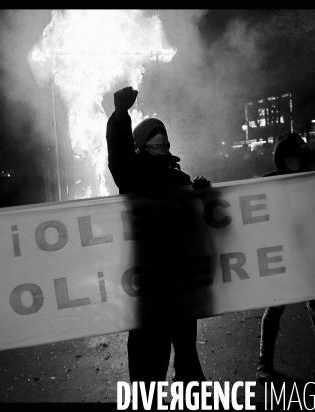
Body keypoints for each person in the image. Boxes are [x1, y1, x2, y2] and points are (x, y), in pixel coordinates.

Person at [106, 86, 210, 400]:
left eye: (163, 143)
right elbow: (120, 156)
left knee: (186, 354)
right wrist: (120, 116)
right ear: (140, 146)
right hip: (149, 284)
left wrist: (203, 196)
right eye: (153, 144)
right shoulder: (133, 178)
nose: (160, 148)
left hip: (180, 281)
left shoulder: (180, 179)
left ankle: (189, 391)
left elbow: (198, 226)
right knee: (148, 361)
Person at [255, 133, 315, 383]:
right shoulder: (268, 182)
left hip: (306, 253)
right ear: (279, 158)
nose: (293, 160)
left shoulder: (312, 179)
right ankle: (264, 363)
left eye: (298, 155)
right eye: (288, 156)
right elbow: (240, 202)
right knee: (274, 308)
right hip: (280, 255)